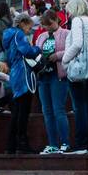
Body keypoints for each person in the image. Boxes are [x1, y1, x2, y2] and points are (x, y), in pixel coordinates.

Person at [63, 0, 88, 154]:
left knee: (79, 107)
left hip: (78, 68)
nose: (68, 13)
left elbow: (77, 43)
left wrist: (65, 59)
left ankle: (80, 144)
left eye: (69, 10)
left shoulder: (78, 20)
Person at [3, 13, 41, 154]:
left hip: (15, 73)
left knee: (17, 111)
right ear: (23, 23)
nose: (28, 31)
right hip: (23, 73)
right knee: (23, 111)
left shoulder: (9, 35)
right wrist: (37, 49)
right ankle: (22, 143)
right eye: (28, 27)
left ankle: (11, 145)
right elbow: (26, 51)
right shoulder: (19, 34)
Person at [35, 10, 70, 155]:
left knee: (58, 110)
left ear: (56, 20)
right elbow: (35, 52)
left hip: (59, 75)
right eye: (44, 25)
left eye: (49, 24)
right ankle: (53, 144)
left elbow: (71, 50)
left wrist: (58, 56)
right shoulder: (41, 36)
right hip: (44, 76)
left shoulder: (66, 34)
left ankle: (65, 142)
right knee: (47, 111)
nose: (47, 28)